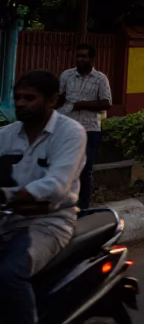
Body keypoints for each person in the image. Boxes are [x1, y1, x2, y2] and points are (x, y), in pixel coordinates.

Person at [0, 70, 88, 324]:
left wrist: (8, 194)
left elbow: (57, 185)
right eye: (17, 98)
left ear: (52, 100)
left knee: (10, 274)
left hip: (48, 222)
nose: (20, 104)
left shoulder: (70, 132)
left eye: (29, 98)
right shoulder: (6, 135)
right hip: (7, 219)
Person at [57, 44, 112, 209]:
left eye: (84, 56)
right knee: (63, 167)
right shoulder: (67, 75)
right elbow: (59, 97)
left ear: (91, 59)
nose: (80, 59)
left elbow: (106, 103)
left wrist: (81, 105)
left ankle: (83, 206)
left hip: (89, 129)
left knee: (85, 171)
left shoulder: (100, 79)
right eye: (78, 56)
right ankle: (64, 203)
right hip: (65, 127)